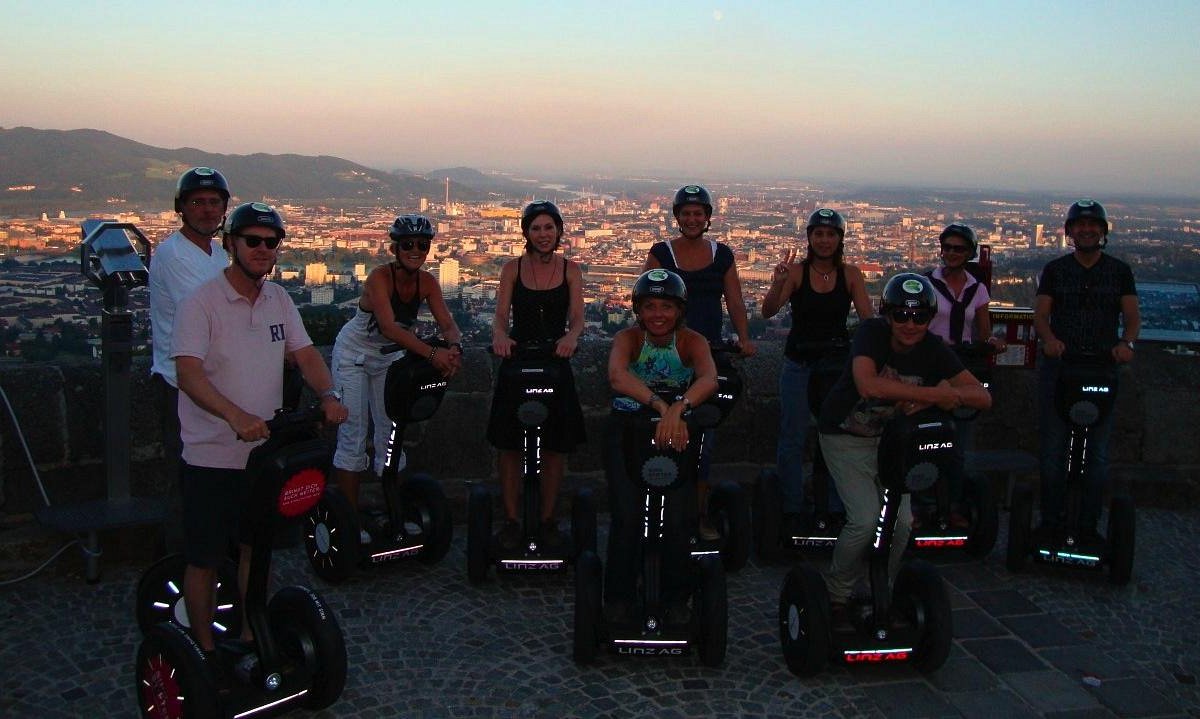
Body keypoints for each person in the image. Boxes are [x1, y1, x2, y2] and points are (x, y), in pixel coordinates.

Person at [172, 202, 349, 668]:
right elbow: (188, 374)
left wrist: (329, 394)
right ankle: (204, 652)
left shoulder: (279, 301)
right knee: (205, 555)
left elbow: (306, 354)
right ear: (231, 244)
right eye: (253, 241)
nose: (263, 250)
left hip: (263, 451)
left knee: (257, 546)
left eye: (271, 243)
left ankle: (251, 635)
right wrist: (233, 416)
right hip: (213, 452)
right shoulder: (201, 303)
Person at [816, 273, 990, 621]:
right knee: (865, 520)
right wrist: (933, 395)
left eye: (919, 317)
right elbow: (868, 385)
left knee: (901, 522)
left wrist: (935, 400)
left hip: (893, 441)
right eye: (901, 316)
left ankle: (884, 587)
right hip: (845, 435)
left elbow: (982, 396)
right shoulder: (871, 334)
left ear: (929, 318)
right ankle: (838, 590)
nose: (910, 325)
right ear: (888, 315)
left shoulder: (934, 350)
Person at [331, 214, 462, 543]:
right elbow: (388, 326)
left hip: (388, 357)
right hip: (354, 355)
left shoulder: (427, 282)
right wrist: (433, 355)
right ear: (395, 248)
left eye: (422, 245)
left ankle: (394, 507)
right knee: (354, 432)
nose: (416, 250)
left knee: (391, 431)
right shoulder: (379, 278)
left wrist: (455, 346)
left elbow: (447, 322)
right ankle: (349, 520)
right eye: (408, 245)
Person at [604, 269, 718, 622]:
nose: (658, 314)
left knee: (679, 519)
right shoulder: (628, 339)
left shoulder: (692, 342)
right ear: (638, 310)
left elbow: (709, 378)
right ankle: (619, 595)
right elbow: (617, 376)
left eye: (666, 307)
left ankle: (674, 596)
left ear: (679, 310)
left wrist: (679, 409)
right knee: (627, 516)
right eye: (650, 306)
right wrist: (661, 406)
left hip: (675, 435)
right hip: (630, 432)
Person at [644, 184, 755, 540]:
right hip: (668, 352)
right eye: (686, 213)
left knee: (703, 443)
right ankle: (661, 509)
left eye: (698, 214)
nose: (692, 219)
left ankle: (698, 512)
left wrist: (744, 337)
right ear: (677, 217)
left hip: (708, 355)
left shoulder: (722, 255)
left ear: (708, 218)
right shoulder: (661, 253)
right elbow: (644, 299)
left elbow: (734, 300)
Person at [760, 208, 873, 535]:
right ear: (810, 237)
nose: (824, 240)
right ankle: (792, 505)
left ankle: (837, 506)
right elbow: (769, 311)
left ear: (840, 238)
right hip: (800, 362)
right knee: (792, 436)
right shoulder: (797, 272)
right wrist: (778, 284)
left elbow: (868, 319)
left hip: (836, 366)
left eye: (830, 234)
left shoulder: (851, 274)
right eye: (818, 234)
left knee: (837, 438)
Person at [1032, 199, 1138, 542]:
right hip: (1061, 368)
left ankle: (1088, 523)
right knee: (1052, 449)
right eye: (1080, 226)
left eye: (1093, 226)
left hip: (1102, 369)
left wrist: (1127, 344)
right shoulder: (1055, 270)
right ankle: (1051, 519)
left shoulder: (1120, 271)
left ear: (1103, 232)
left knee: (1098, 453)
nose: (1087, 230)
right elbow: (1041, 314)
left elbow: (1132, 316)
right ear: (1070, 232)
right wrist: (1049, 340)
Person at [487, 201, 586, 549]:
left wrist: (572, 337)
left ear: (558, 231)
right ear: (526, 233)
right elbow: (500, 315)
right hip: (519, 355)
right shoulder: (512, 269)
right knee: (509, 444)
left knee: (557, 446)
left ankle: (547, 518)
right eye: (536, 228)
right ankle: (512, 519)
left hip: (555, 359)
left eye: (549, 228)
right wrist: (500, 335)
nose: (543, 235)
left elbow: (577, 318)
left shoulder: (570, 270)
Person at [149, 167, 232, 552]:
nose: (206, 210)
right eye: (197, 202)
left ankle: (211, 554)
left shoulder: (217, 253)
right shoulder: (172, 254)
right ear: (181, 208)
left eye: (214, 203)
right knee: (186, 478)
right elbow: (211, 312)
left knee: (214, 477)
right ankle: (183, 563)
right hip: (181, 381)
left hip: (217, 380)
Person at [923, 222, 1006, 527]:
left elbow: (982, 333)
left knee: (958, 445)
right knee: (927, 436)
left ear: (969, 252)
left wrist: (993, 343)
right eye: (947, 248)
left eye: (958, 249)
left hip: (962, 366)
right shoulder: (927, 283)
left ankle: (952, 504)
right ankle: (923, 503)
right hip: (931, 365)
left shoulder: (977, 289)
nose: (952, 254)